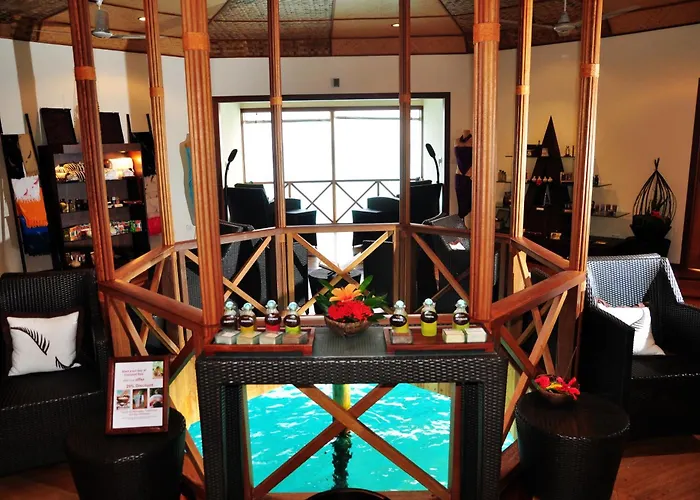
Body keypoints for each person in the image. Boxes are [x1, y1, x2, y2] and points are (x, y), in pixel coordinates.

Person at [454, 129, 473, 228]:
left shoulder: (474, 141)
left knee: (469, 202)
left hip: (470, 175)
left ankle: (469, 227)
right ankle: (461, 228)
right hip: (458, 175)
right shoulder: (456, 141)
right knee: (460, 203)